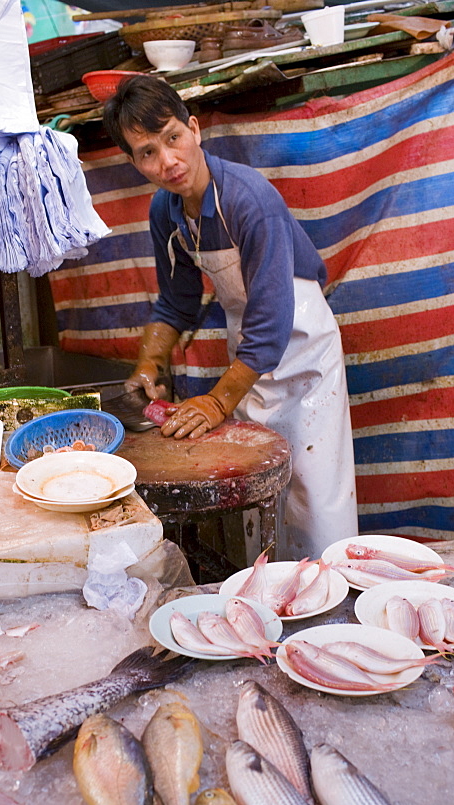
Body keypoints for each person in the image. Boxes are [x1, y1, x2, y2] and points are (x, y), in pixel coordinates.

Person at [103, 76, 358, 559]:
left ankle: (329, 603)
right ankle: (268, 603)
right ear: (134, 162)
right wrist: (148, 366)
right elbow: (176, 302)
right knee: (259, 492)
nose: (168, 162)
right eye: (147, 152)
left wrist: (216, 404)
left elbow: (274, 318)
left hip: (301, 348)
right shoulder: (167, 210)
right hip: (250, 354)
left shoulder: (248, 198)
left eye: (173, 138)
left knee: (315, 493)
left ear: (195, 129)